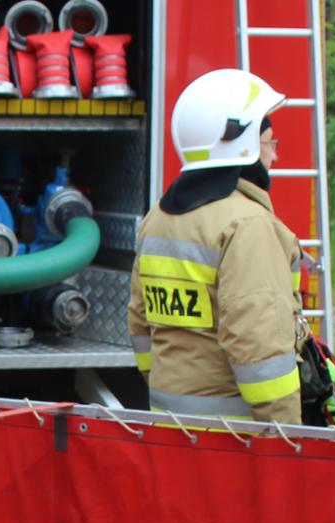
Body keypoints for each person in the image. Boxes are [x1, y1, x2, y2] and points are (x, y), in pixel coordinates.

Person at [126, 68, 305, 424]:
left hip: (169, 423)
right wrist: (288, 438)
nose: (275, 157)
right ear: (244, 144)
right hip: (236, 437)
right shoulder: (247, 225)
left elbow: (140, 325)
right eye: (269, 143)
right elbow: (260, 348)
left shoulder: (157, 219)